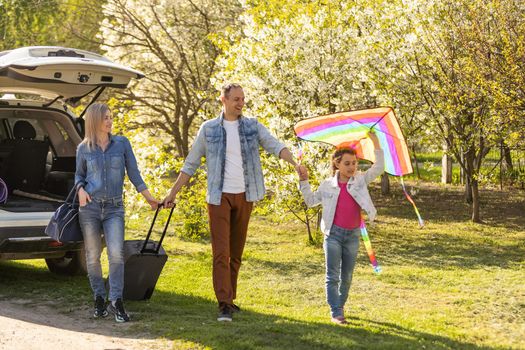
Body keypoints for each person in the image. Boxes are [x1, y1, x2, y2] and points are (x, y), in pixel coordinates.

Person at [163, 83, 303, 322]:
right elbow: (191, 163)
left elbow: (275, 145)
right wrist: (172, 192)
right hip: (219, 198)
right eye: (236, 99)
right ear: (223, 100)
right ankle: (224, 304)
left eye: (243, 99)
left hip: (245, 195)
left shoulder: (252, 126)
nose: (240, 103)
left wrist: (295, 164)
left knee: (236, 253)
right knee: (221, 253)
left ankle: (231, 298)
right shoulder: (208, 130)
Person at [75, 103, 159, 323]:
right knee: (92, 256)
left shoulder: (121, 144)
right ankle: (99, 299)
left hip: (114, 208)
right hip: (90, 208)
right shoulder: (83, 148)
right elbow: (78, 176)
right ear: (95, 121)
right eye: (105, 118)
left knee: (116, 255)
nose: (110, 121)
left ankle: (116, 301)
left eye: (111, 117)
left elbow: (134, 174)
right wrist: (80, 190)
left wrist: (150, 198)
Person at [298, 132, 383, 325]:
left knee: (347, 276)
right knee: (332, 275)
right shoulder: (328, 185)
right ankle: (336, 311)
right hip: (333, 235)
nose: (352, 167)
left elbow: (378, 167)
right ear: (337, 164)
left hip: (352, 236)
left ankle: (340, 305)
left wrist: (375, 141)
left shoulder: (360, 181)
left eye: (354, 163)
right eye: (347, 163)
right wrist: (304, 181)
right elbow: (311, 200)